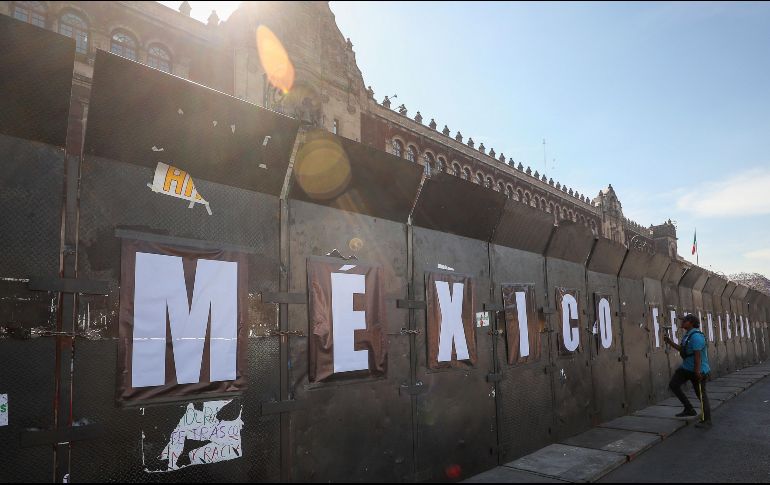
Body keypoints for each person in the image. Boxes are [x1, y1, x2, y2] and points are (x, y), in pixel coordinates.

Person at [663, 314, 712, 428]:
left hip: (698, 370)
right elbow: (683, 350)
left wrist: (697, 372)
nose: (682, 322)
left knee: (701, 395)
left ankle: (707, 420)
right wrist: (670, 342)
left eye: (684, 321)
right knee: (674, 385)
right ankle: (689, 408)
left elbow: (697, 356)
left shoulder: (696, 337)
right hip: (687, 368)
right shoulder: (688, 335)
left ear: (690, 323)